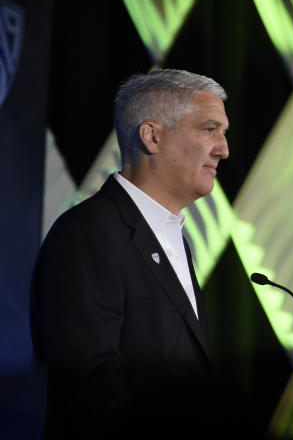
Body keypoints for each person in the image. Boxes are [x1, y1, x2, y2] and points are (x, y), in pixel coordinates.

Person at [31, 69, 232, 439]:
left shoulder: (174, 238)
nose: (223, 149)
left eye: (223, 133)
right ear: (152, 136)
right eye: (209, 129)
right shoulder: (88, 234)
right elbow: (91, 388)